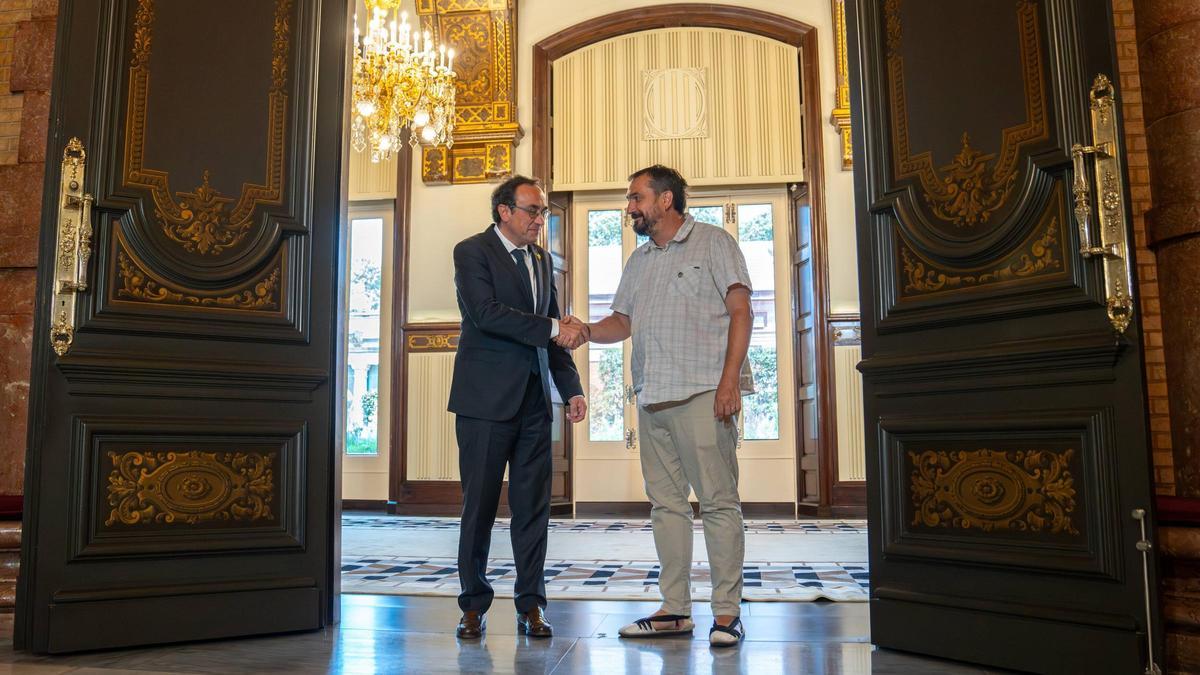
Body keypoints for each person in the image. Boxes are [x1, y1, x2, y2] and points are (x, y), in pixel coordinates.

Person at [557, 165, 753, 647]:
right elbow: (622, 322)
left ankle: (727, 614)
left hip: (705, 393)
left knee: (718, 504)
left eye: (635, 198)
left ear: (666, 200)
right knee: (666, 507)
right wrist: (584, 331)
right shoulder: (640, 260)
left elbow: (741, 311)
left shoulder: (714, 242)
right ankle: (675, 610)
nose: (630, 208)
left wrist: (730, 382)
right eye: (629, 200)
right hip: (652, 396)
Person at [448, 175, 588, 640]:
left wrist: (571, 389)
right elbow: (486, 314)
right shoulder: (471, 252)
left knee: (533, 511)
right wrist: (553, 327)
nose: (539, 220)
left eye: (543, 212)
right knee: (480, 508)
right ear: (505, 211)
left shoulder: (543, 260)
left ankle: (531, 605)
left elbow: (552, 338)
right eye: (533, 210)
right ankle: (473, 605)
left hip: (533, 405)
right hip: (484, 402)